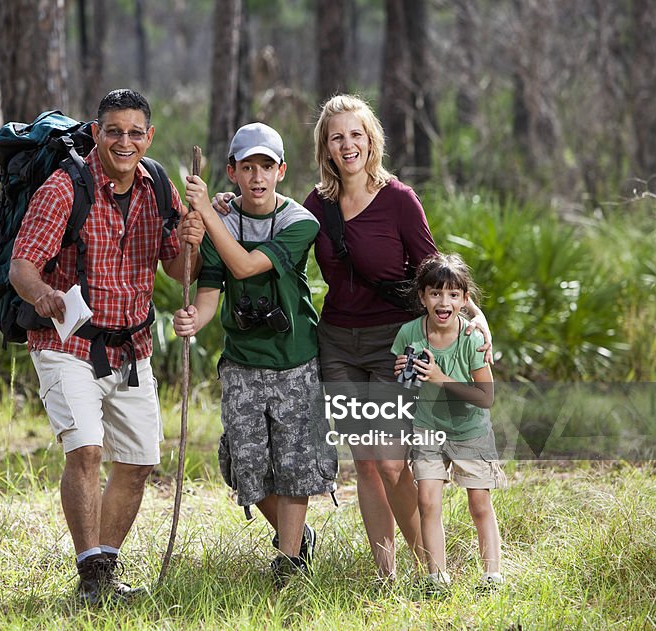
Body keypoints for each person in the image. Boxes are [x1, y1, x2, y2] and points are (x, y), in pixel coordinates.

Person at [212, 94, 491, 583]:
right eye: (336, 136)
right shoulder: (316, 204)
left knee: (389, 461)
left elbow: (433, 271)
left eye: (356, 134)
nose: (347, 145)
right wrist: (223, 204)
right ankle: (386, 574)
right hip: (337, 342)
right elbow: (263, 214)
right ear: (325, 146)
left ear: (371, 140)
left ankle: (430, 564)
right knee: (365, 464)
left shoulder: (399, 199)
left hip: (392, 342)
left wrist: (474, 318)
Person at [9, 89, 204, 604]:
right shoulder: (63, 187)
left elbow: (178, 270)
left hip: (133, 344)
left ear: (149, 137)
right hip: (66, 341)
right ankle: (91, 576)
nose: (124, 141)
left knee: (138, 462)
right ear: (96, 133)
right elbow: (22, 266)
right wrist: (44, 294)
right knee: (87, 451)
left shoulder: (159, 185)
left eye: (135, 132)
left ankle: (105, 570)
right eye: (113, 131)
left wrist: (194, 240)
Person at [173, 122, 338, 587]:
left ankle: (289, 563)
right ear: (233, 172)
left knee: (296, 464)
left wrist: (207, 212)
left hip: (296, 360)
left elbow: (245, 265)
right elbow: (210, 290)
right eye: (248, 167)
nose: (258, 176)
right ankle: (297, 536)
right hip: (243, 363)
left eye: (267, 166)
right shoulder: (220, 220)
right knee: (243, 465)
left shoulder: (299, 222)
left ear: (281, 170)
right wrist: (195, 320)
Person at [392, 252, 505, 595]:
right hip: (427, 427)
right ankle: (437, 578)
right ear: (423, 297)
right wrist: (402, 376)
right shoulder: (410, 333)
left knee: (479, 504)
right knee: (427, 500)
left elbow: (486, 397)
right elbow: (406, 386)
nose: (444, 302)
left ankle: (492, 576)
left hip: (470, 429)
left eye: (453, 295)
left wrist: (441, 379)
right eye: (436, 294)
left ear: (465, 300)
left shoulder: (471, 338)